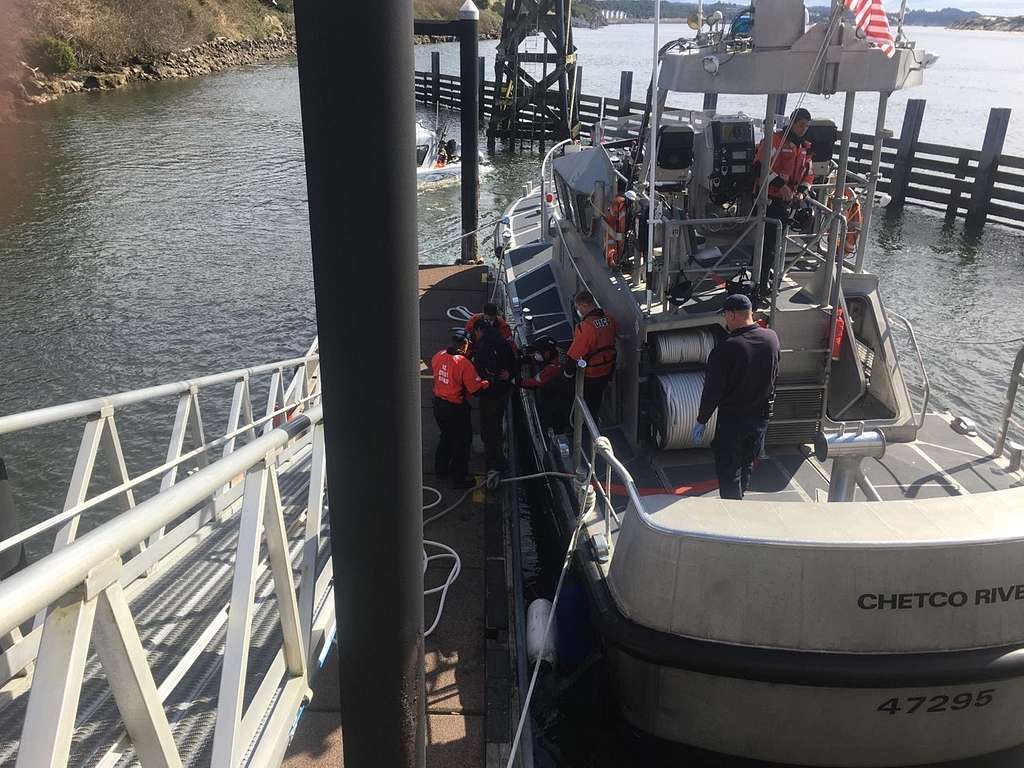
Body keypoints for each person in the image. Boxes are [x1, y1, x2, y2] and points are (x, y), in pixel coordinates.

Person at [693, 293, 780, 500]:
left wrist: (701, 420)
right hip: (760, 419)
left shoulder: (726, 348)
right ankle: (740, 502)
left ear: (732, 315)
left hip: (733, 423)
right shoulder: (771, 338)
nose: (725, 321)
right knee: (747, 464)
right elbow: (775, 375)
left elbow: (712, 391)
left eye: (725, 316)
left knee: (729, 471)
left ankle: (731, 516)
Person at [752, 108, 814, 299]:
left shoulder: (805, 147)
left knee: (776, 244)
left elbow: (809, 174)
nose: (803, 129)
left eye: (806, 126)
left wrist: (803, 191)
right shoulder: (775, 141)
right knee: (768, 244)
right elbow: (759, 166)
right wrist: (781, 185)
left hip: (789, 201)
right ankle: (760, 284)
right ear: (792, 123)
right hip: (768, 199)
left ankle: (766, 277)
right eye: (801, 125)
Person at [432, 329, 490, 489]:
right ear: (465, 344)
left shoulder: (439, 355)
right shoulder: (464, 363)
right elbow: (475, 390)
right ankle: (459, 479)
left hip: (438, 405)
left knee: (445, 437)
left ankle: (440, 470)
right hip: (455, 409)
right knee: (462, 443)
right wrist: (486, 383)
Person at [565, 291, 618, 420]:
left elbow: (575, 354)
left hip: (591, 374)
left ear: (583, 305)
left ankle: (581, 426)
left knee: (585, 402)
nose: (578, 310)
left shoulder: (586, 327)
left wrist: (567, 373)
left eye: (578, 307)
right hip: (608, 369)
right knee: (597, 399)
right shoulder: (609, 318)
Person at [471, 320, 516, 471]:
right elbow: (512, 359)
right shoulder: (501, 340)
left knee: (490, 426)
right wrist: (509, 375)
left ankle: (493, 463)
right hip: (504, 389)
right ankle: (497, 457)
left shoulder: (483, 346)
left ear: (478, 330)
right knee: (496, 423)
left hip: (490, 392)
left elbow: (484, 368)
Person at [521, 337, 571, 433]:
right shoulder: (560, 355)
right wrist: (527, 358)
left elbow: (534, 382)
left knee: (549, 417)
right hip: (564, 392)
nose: (536, 355)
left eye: (538, 352)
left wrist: (516, 381)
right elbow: (542, 360)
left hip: (558, 399)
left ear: (547, 353)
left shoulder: (552, 368)